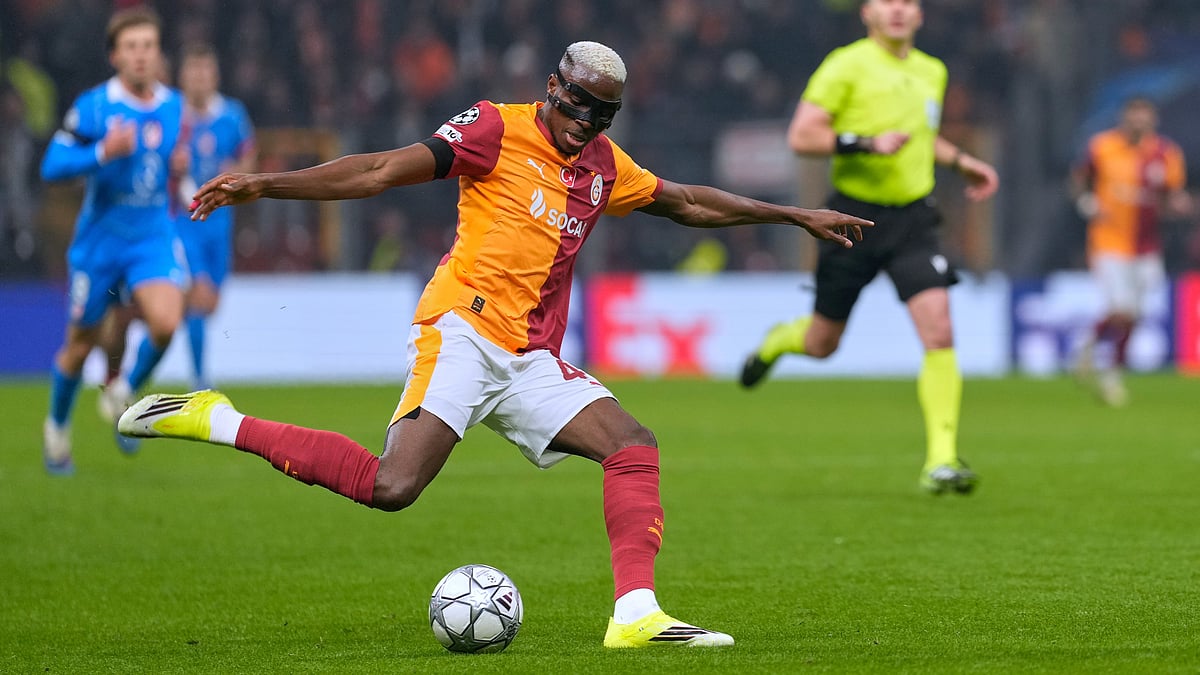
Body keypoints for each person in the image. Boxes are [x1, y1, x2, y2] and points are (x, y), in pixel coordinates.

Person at [118, 41, 871, 648]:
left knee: (633, 445)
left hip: (530, 356)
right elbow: (381, 168)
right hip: (465, 331)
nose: (584, 121)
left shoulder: (604, 167)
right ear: (552, 87)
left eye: (601, 113)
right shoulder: (491, 126)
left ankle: (635, 613)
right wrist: (267, 184)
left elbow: (686, 202)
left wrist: (790, 214)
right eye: (576, 104)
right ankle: (217, 417)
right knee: (393, 487)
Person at [738, 0, 999, 495]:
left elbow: (923, 137)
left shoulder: (932, 71)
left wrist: (961, 160)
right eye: (887, 2)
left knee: (939, 328)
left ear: (920, 14)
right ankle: (778, 341)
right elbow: (802, 136)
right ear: (867, 13)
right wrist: (863, 143)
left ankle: (941, 461)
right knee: (821, 344)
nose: (898, 10)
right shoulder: (845, 65)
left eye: (907, 2)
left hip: (914, 220)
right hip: (852, 219)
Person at [40, 6, 188, 475]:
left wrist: (183, 180)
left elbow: (164, 165)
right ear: (115, 56)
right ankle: (57, 430)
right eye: (131, 47)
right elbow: (51, 167)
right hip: (100, 242)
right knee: (80, 346)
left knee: (165, 323)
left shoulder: (172, 105)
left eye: (148, 46)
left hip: (150, 235)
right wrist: (103, 150)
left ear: (157, 52)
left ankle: (124, 386)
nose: (141, 55)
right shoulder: (94, 106)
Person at [1070, 96, 1192, 406]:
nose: (1138, 123)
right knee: (1122, 309)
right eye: (1133, 117)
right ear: (1124, 118)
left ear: (1153, 121)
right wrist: (1087, 203)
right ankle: (1106, 370)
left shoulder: (1166, 154)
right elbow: (1078, 179)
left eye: (1144, 118)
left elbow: (1170, 196)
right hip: (1108, 241)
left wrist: (1177, 204)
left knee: (1134, 315)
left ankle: (1095, 350)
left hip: (1147, 245)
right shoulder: (1102, 146)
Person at [171, 42, 257, 389]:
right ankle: (199, 384)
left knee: (206, 306)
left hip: (220, 224)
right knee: (198, 296)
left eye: (206, 71)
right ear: (183, 77)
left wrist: (235, 171)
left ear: (215, 76)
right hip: (183, 223)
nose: (200, 79)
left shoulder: (232, 115)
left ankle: (128, 384)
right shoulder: (171, 116)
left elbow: (249, 159)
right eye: (193, 71)